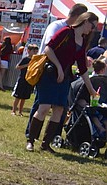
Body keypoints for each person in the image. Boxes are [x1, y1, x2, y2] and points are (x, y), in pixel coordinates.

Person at [26, 12, 100, 152]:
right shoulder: (66, 32)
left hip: (64, 77)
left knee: (59, 110)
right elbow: (48, 48)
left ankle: (46, 144)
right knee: (44, 108)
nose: (93, 30)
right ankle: (30, 140)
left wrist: (91, 89)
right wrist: (59, 67)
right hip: (49, 74)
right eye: (92, 26)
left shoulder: (83, 40)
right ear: (85, 21)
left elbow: (82, 68)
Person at [12, 44, 38, 116]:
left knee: (24, 97)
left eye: (36, 51)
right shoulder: (25, 59)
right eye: (33, 51)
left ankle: (20, 111)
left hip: (29, 80)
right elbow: (17, 67)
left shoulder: (35, 60)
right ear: (29, 51)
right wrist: (27, 65)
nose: (35, 53)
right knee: (18, 96)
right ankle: (13, 110)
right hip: (22, 79)